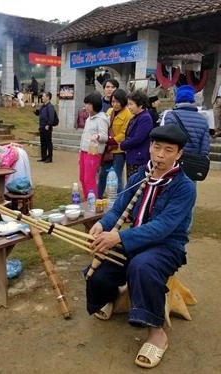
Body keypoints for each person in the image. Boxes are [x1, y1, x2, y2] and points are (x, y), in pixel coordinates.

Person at [85, 123, 196, 369]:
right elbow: (119, 208)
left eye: (169, 150)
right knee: (100, 261)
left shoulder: (184, 187)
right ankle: (111, 297)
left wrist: (121, 238)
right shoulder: (138, 176)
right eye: (157, 147)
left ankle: (157, 333)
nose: (160, 155)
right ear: (150, 147)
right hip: (134, 239)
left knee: (141, 266)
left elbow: (164, 227)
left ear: (178, 154)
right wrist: (103, 225)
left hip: (167, 246)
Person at [97, 89, 132, 198]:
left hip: (119, 150)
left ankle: (120, 200)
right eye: (113, 102)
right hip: (108, 150)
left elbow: (124, 133)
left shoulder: (128, 114)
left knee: (117, 177)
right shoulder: (109, 112)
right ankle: (98, 197)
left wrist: (113, 140)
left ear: (123, 101)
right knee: (103, 174)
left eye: (117, 102)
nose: (115, 104)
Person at [163, 85, 209, 161]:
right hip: (193, 162)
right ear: (192, 99)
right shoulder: (203, 120)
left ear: (177, 99)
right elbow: (204, 148)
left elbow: (167, 140)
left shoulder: (171, 116)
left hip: (174, 160)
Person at [79, 92, 109, 198]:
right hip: (84, 151)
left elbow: (105, 136)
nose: (86, 106)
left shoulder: (101, 118)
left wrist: (98, 136)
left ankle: (93, 203)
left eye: (89, 104)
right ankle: (88, 200)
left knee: (89, 179)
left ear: (95, 105)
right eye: (86, 103)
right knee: (82, 178)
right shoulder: (88, 118)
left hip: (93, 152)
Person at [121, 91, 153, 178]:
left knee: (136, 184)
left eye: (131, 104)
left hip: (139, 158)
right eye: (128, 104)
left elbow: (138, 138)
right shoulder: (136, 117)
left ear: (141, 105)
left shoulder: (145, 118)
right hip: (132, 156)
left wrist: (123, 144)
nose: (129, 107)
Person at [33, 91, 57, 163]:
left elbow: (52, 118)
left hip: (47, 127)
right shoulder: (43, 106)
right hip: (42, 127)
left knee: (48, 143)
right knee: (42, 142)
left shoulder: (50, 107)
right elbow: (38, 113)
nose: (42, 97)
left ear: (48, 97)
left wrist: (48, 125)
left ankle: (49, 158)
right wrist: (34, 108)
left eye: (43, 96)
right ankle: (43, 157)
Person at [211, 64, 221, 138]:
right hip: (217, 98)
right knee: (216, 116)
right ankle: (218, 131)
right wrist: (213, 99)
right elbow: (216, 86)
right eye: (219, 69)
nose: (219, 71)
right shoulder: (218, 76)